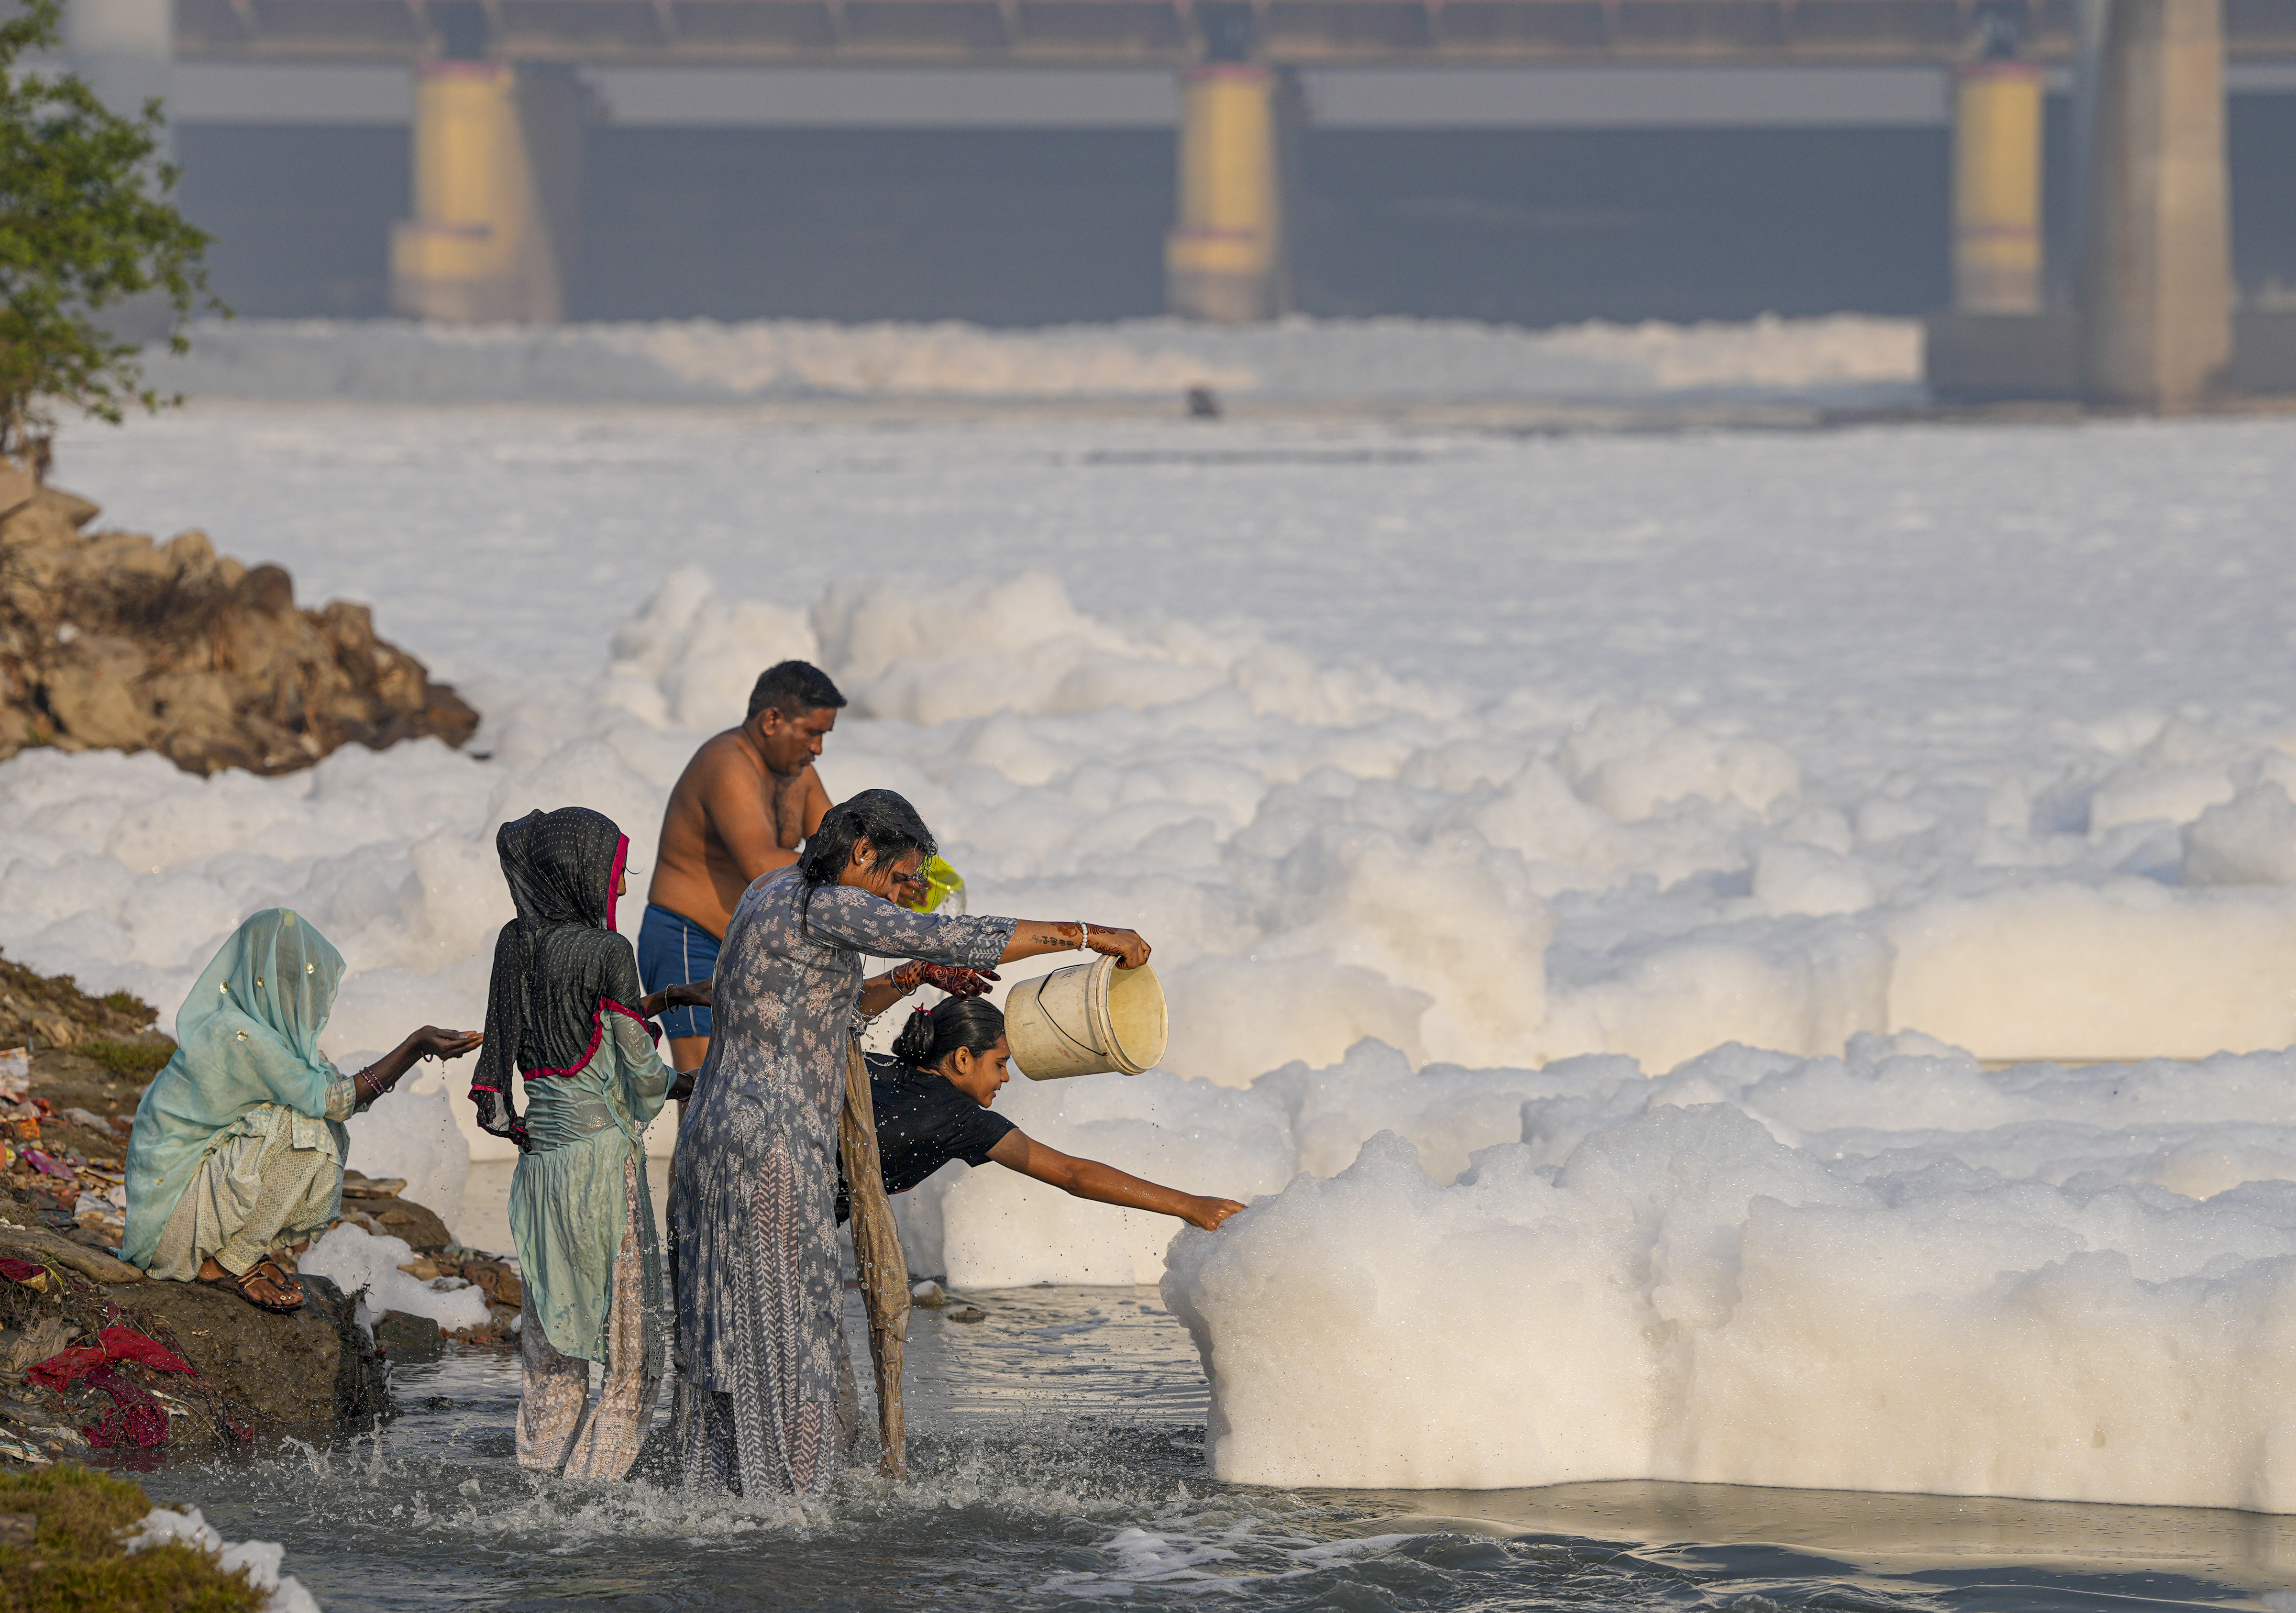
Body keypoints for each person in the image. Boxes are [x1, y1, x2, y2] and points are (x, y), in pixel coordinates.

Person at [671, 787, 1160, 1498]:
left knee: (724, 1339)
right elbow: (953, 937)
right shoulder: (827, 900)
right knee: (795, 1341)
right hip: (772, 1151)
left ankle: (714, 1501)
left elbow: (827, 1013)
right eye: (901, 882)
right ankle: (794, 1517)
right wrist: (1090, 935)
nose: (903, 901)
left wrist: (911, 977)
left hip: (712, 1141)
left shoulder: (768, 892)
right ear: (862, 852)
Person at [471, 806, 712, 1482]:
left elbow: (493, 1092)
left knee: (552, 1342)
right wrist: (689, 1083)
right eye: (616, 872)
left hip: (541, 1174)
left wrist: (538, 1131)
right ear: (580, 874)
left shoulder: (513, 942)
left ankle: (540, 1480)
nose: (625, 889)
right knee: (631, 1352)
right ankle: (595, 1493)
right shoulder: (610, 953)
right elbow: (640, 1076)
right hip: (604, 1175)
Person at [123, 908, 480, 1313]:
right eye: (290, 981)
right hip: (170, 1227)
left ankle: (238, 1253)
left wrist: (414, 1052)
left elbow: (342, 1095)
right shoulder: (239, 1035)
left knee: (314, 1121)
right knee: (308, 1128)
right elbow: (338, 1102)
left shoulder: (268, 1036)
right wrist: (415, 1045)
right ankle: (224, 1264)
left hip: (192, 1200)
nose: (301, 995)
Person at [838, 996, 1244, 1234]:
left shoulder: (864, 1065)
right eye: (1000, 1063)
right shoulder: (962, 1119)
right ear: (963, 1058)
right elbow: (1072, 1175)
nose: (1006, 1077)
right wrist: (1189, 1205)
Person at [639, 660, 844, 1080]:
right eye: (812, 733)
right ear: (772, 720)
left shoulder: (800, 776)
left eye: (824, 735)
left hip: (746, 946)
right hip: (687, 937)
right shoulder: (727, 761)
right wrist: (857, 877)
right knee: (703, 1085)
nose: (819, 748)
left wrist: (895, 877)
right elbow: (761, 865)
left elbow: (840, 848)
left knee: (755, 1084)